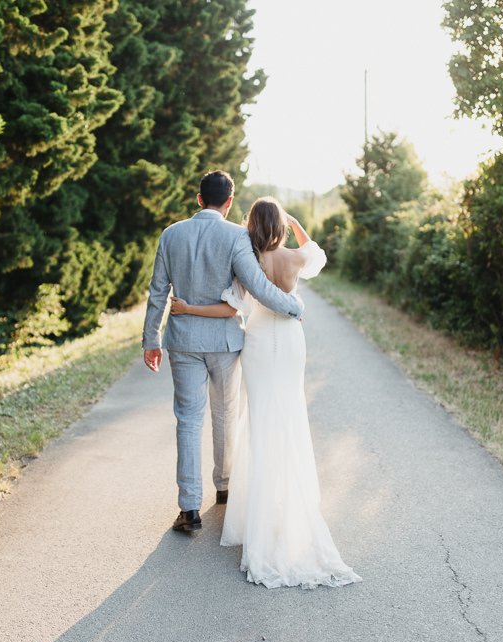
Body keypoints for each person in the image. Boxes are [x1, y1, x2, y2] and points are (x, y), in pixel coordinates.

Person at [169, 196, 361, 589]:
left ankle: (255, 507)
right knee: (289, 418)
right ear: (281, 225)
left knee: (259, 422)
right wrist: (295, 224)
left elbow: (231, 307)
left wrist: (187, 308)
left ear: (251, 223)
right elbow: (318, 255)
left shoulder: (249, 259)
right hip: (290, 342)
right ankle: (287, 506)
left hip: (257, 342)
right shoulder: (294, 258)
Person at [141, 172, 304, 534]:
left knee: (188, 420)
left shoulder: (171, 234)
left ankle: (189, 509)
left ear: (199, 199)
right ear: (229, 202)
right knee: (225, 414)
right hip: (225, 343)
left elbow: (156, 291)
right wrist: (292, 307)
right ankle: (225, 486)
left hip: (182, 342)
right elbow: (259, 286)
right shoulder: (236, 236)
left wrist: (151, 339)